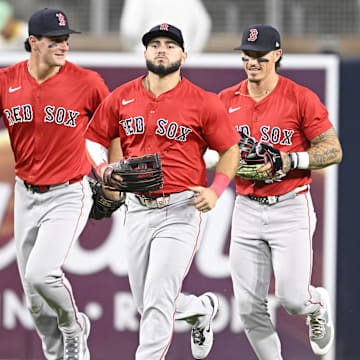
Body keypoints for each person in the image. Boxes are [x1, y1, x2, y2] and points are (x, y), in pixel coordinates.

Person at [85, 23, 240, 360]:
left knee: (157, 301)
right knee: (146, 302)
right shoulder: (122, 96)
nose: (161, 50)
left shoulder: (203, 102)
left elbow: (231, 149)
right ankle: (200, 310)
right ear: (144, 52)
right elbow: (94, 137)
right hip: (138, 209)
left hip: (181, 209)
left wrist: (216, 189)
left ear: (183, 54)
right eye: (154, 44)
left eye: (170, 45)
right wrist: (104, 169)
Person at [218, 24, 343, 359]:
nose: (252, 61)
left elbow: (333, 150)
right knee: (247, 306)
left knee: (292, 299)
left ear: (277, 54)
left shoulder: (299, 97)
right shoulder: (226, 100)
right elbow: (208, 148)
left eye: (259, 55)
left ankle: (317, 305)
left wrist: (290, 159)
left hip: (290, 205)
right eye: (247, 54)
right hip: (246, 206)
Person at [0, 8, 111, 360]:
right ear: (33, 42)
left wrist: (111, 172)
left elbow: (113, 127)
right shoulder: (7, 80)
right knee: (34, 302)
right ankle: (55, 354)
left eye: (66, 39)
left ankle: (74, 326)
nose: (63, 46)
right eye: (55, 40)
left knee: (42, 274)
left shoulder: (87, 82)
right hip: (25, 192)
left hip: (68, 191)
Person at [119, 0, 212, 52]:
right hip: (179, 59)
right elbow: (203, 23)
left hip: (145, 58)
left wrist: (132, 51)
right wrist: (192, 51)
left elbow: (130, 31)